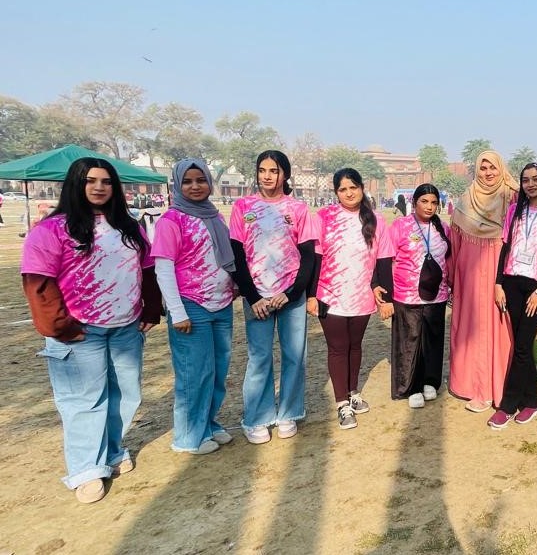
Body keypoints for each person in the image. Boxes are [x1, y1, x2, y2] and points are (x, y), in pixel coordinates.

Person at [21, 157, 161, 504]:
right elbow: (39, 282)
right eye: (90, 181)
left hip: (125, 328)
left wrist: (150, 309)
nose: (99, 187)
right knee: (84, 401)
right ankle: (86, 469)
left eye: (106, 181)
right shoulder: (52, 230)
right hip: (80, 331)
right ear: (76, 184)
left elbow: (147, 269)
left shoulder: (129, 227)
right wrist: (60, 326)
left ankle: (112, 451)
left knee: (125, 394)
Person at [229, 150, 317, 445]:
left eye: (274, 171)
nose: (267, 176)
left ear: (285, 175)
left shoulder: (298, 208)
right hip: (257, 299)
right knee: (259, 357)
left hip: (290, 296)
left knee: (294, 356)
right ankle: (256, 417)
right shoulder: (243, 206)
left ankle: (289, 412)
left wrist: (291, 293)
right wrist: (252, 296)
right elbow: (237, 255)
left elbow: (308, 257)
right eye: (262, 170)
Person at [153, 159, 237, 456]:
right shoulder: (171, 220)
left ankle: (207, 424)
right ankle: (188, 436)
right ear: (177, 185)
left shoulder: (215, 216)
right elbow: (163, 268)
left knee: (217, 370)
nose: (195, 186)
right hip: (191, 306)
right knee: (193, 374)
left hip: (221, 304)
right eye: (187, 181)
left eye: (201, 180)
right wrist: (177, 312)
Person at [312, 168, 392, 430]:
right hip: (329, 294)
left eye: (353, 187)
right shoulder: (324, 217)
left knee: (355, 346)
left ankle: (353, 392)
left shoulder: (376, 220)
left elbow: (383, 260)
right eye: (342, 189)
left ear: (362, 188)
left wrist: (385, 295)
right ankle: (341, 404)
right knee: (338, 347)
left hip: (361, 295)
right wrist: (311, 295)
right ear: (336, 193)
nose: (348, 193)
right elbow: (315, 258)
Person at [488, 163, 537, 429]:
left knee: (522, 345)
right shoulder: (515, 210)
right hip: (512, 281)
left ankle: (508, 405)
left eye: (536, 179)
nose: (531, 184)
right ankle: (532, 401)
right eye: (525, 180)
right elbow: (505, 247)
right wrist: (498, 283)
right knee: (520, 345)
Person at [448, 150, 518, 412]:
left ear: (501, 168)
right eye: (483, 168)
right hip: (470, 275)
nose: (488, 173)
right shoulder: (466, 200)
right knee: (474, 328)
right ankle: (476, 387)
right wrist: (454, 278)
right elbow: (455, 244)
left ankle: (501, 387)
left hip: (503, 275)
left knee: (501, 328)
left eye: (493, 168)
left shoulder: (513, 197)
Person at [375, 184, 451, 408]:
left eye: (434, 202)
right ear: (414, 202)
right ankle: (412, 387)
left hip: (437, 295)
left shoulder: (443, 228)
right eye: (424, 202)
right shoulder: (400, 226)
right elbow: (385, 258)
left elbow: (449, 259)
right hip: (407, 295)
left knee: (433, 341)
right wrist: (385, 293)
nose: (429, 207)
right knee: (410, 342)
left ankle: (430, 381)